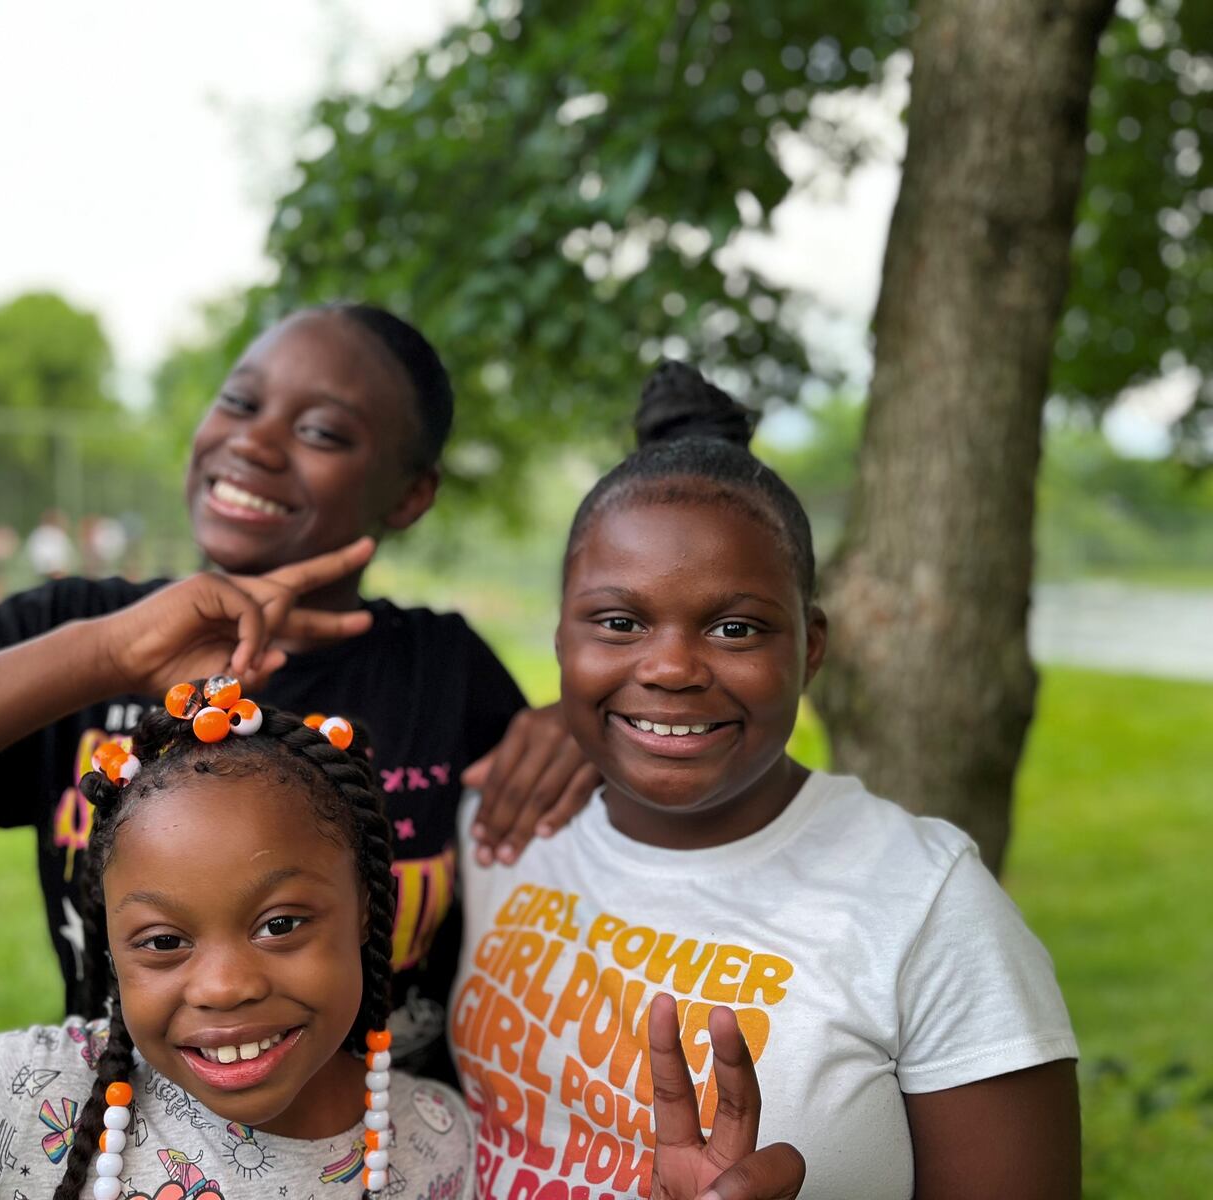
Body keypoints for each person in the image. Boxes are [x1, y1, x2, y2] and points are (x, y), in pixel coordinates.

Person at [0, 303, 596, 1082]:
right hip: (116, 1155)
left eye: (320, 431)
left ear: (409, 494)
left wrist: (589, 731)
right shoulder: (82, 634)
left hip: (387, 1161)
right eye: (238, 403)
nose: (253, 444)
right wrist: (97, 660)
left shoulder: (442, 671)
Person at [0, 688, 793, 1200]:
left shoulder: (433, 1143)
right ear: (111, 956)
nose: (226, 982)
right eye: (163, 942)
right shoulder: (34, 1095)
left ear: (371, 925)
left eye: (284, 923)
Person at [448, 362, 1080, 1198]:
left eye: (735, 627)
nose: (670, 667)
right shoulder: (502, 822)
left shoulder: (927, 907)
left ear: (811, 649)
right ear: (563, 638)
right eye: (619, 622)